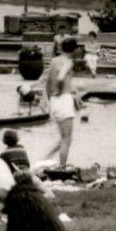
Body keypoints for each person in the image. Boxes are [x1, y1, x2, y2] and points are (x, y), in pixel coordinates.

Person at [43, 38, 81, 168]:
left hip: (54, 101)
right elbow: (60, 77)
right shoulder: (68, 62)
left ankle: (44, 159)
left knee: (62, 139)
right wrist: (60, 91)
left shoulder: (54, 61)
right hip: (63, 99)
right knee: (67, 139)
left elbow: (47, 82)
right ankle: (62, 167)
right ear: (74, 49)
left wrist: (51, 100)